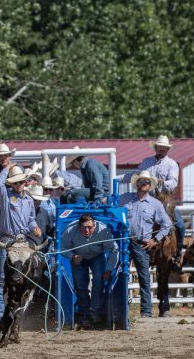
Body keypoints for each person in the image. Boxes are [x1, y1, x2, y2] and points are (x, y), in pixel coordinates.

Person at [123, 135, 185, 267]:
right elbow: (135, 174)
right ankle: (138, 249)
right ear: (156, 148)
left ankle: (178, 252)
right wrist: (118, 178)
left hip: (164, 199)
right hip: (147, 197)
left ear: (168, 150)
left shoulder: (172, 164)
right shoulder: (146, 162)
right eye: (160, 147)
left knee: (180, 225)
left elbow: (173, 183)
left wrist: (158, 183)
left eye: (164, 148)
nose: (161, 150)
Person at [0, 164, 42, 327]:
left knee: (26, 277)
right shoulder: (5, 196)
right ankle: (1, 316)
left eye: (20, 182)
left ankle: (17, 313)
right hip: (8, 241)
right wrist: (7, 168)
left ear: (24, 182)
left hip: (23, 242)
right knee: (3, 279)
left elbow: (30, 220)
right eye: (15, 183)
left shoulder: (29, 199)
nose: (18, 185)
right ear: (11, 184)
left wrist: (34, 227)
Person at [120, 171, 172, 318]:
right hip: (123, 241)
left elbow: (167, 225)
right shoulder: (125, 199)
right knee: (118, 274)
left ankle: (146, 311)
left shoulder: (156, 204)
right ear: (137, 183)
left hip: (141, 243)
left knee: (144, 277)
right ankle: (120, 309)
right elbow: (110, 206)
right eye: (142, 181)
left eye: (147, 182)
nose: (144, 183)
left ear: (150, 185)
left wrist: (155, 240)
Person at [61, 214, 119, 327]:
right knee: (81, 286)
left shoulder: (103, 230)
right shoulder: (70, 230)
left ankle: (95, 314)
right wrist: (72, 256)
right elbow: (61, 247)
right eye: (83, 227)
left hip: (97, 256)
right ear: (79, 226)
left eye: (90, 227)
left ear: (95, 225)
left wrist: (109, 269)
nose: (87, 230)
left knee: (98, 282)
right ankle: (84, 316)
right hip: (78, 257)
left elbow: (114, 249)